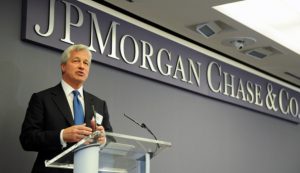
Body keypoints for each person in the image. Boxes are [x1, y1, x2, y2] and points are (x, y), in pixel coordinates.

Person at [20, 44, 113, 173]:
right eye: (76, 61)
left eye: (86, 63)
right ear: (63, 66)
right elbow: (27, 139)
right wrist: (62, 136)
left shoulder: (99, 103)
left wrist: (104, 140)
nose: (82, 66)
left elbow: (111, 139)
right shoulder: (42, 98)